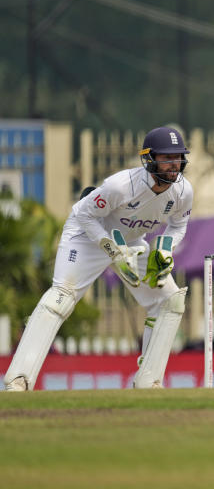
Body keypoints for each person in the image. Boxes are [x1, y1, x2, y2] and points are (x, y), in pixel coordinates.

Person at [4, 126, 194, 391]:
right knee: (61, 297)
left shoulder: (183, 191)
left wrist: (164, 250)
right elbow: (84, 213)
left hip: (130, 242)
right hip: (88, 235)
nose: (174, 164)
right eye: (166, 158)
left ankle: (148, 382)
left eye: (178, 157)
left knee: (169, 302)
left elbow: (177, 226)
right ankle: (18, 380)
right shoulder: (121, 186)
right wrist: (109, 248)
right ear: (149, 159)